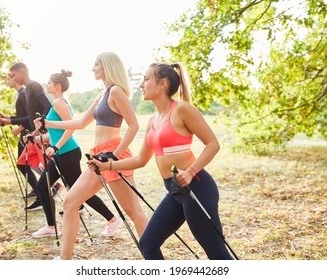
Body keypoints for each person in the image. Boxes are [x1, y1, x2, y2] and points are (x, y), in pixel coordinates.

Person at [89, 62, 234, 260]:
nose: (141, 84)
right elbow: (141, 160)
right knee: (148, 244)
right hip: (174, 190)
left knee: (216, 253)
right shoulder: (152, 121)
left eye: (146, 79)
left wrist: (190, 172)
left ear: (162, 84)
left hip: (196, 188)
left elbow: (212, 144)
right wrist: (109, 165)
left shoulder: (182, 110)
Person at [36, 52, 148, 259]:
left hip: (114, 155)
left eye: (97, 65)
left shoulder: (116, 92)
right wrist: (48, 124)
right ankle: (65, 260)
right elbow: (80, 123)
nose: (93, 68)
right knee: (70, 203)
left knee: (134, 213)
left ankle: (155, 260)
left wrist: (114, 156)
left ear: (108, 66)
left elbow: (134, 126)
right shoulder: (101, 94)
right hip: (97, 156)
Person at [30, 69, 121, 239]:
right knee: (43, 186)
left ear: (57, 86)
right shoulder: (58, 102)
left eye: (49, 82)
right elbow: (57, 131)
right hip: (61, 153)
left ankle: (112, 219)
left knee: (80, 192)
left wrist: (56, 147)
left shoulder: (59, 103)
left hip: (67, 153)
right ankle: (50, 226)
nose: (47, 85)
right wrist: (36, 139)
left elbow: (70, 128)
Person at [0, 62, 62, 211]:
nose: (12, 78)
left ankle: (74, 200)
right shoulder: (27, 90)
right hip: (34, 136)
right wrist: (9, 121)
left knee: (55, 169)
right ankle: (42, 194)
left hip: (42, 135)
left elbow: (47, 106)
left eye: (13, 75)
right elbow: (29, 116)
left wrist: (42, 125)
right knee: (22, 163)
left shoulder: (34, 85)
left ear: (21, 72)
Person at [0, 73, 37, 199]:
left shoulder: (23, 94)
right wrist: (6, 117)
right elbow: (21, 117)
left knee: (23, 164)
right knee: (22, 164)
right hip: (25, 133)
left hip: (28, 134)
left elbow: (29, 117)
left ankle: (41, 191)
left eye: (9, 79)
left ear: (15, 78)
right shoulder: (21, 94)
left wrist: (16, 128)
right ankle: (38, 190)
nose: (7, 82)